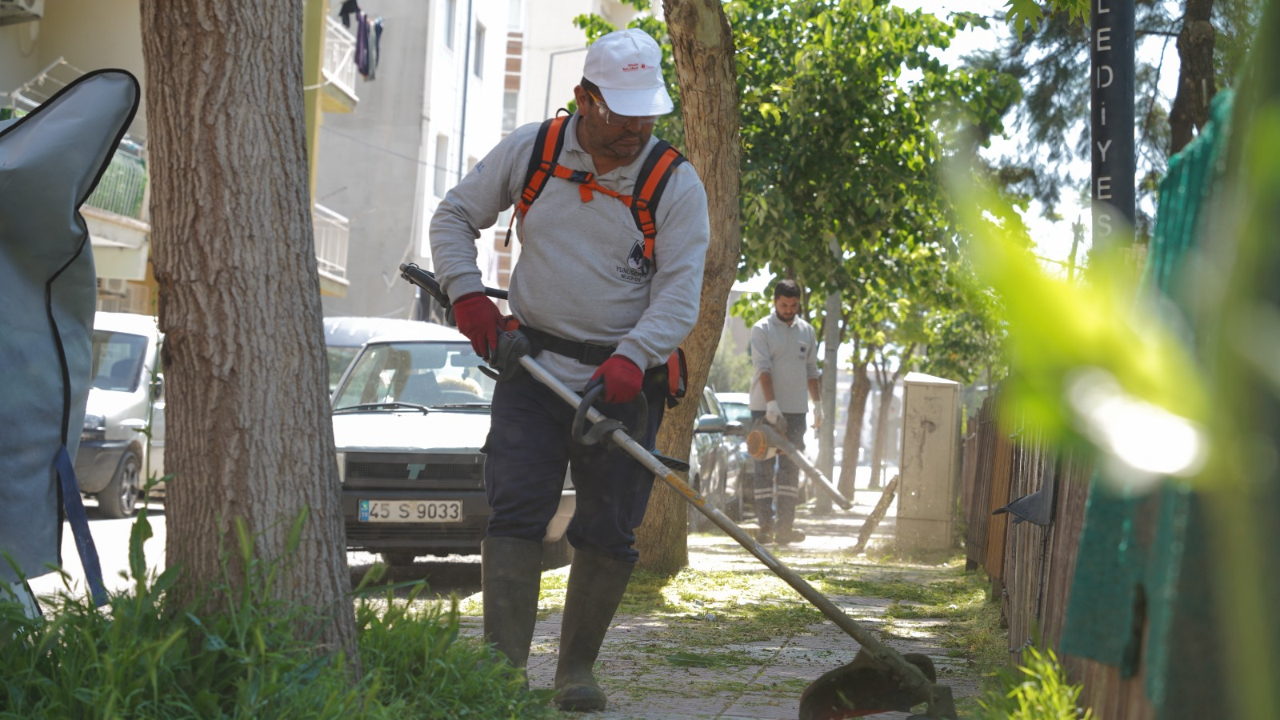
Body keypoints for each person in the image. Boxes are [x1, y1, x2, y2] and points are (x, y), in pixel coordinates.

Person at [429, 28, 710, 713]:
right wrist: (468, 297)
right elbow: (453, 217)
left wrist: (632, 356)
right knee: (517, 509)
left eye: (647, 112)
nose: (637, 126)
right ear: (585, 97)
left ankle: (576, 670)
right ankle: (502, 673)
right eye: (622, 111)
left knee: (610, 528)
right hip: (531, 370)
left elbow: (679, 294)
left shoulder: (673, 182)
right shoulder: (534, 149)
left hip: (621, 384)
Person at [748, 279, 821, 545]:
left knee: (791, 469)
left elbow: (812, 371)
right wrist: (771, 406)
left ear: (799, 303)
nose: (788, 309)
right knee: (764, 467)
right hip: (763, 408)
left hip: (796, 411)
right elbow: (763, 368)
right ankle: (765, 526)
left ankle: (785, 528)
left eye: (793, 305)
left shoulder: (808, 332)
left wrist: (818, 405)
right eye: (783, 304)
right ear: (775, 302)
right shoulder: (762, 329)